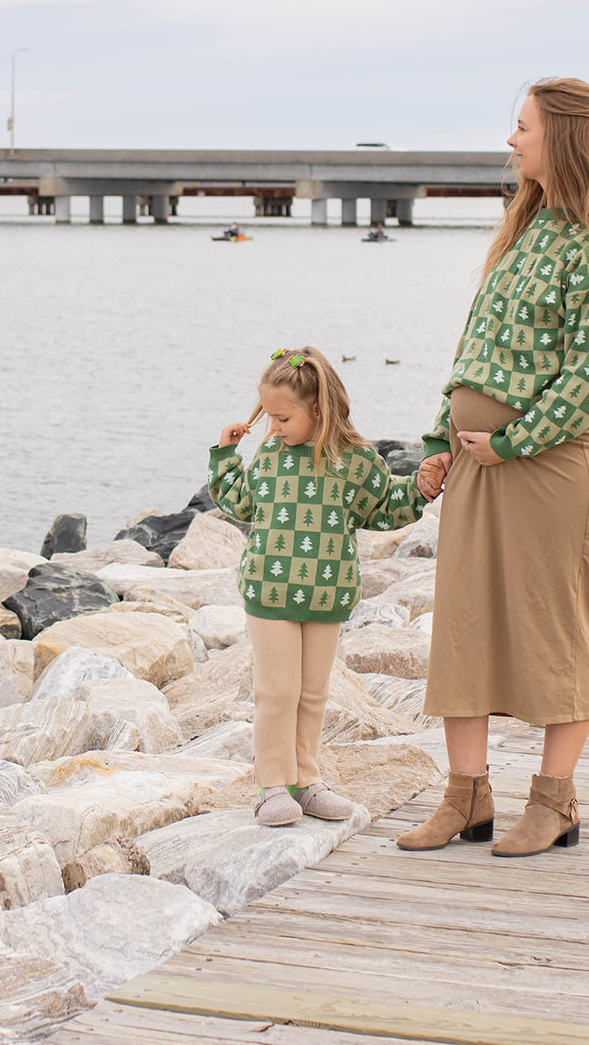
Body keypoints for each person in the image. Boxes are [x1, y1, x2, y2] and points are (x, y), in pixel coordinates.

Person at [400, 77, 589, 859]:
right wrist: (443, 436)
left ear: (565, 139)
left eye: (522, 128)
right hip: (480, 467)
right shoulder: (523, 230)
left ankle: (554, 801)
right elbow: (475, 349)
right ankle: (465, 797)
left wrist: (511, 441)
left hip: (553, 470)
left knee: (554, 635)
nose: (510, 142)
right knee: (463, 632)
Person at [209, 346, 429, 827]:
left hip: (327, 594)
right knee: (277, 690)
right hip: (269, 591)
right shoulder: (269, 453)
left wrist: (422, 487)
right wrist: (226, 454)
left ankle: (306, 781)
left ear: (317, 409)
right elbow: (240, 503)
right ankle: (271, 786)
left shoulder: (356, 461)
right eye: (268, 416)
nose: (273, 427)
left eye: (282, 417)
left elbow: (386, 508)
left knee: (312, 693)